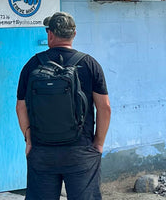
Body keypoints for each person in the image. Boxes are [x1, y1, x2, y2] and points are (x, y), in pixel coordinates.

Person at [16, 11, 111, 200]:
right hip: (81, 151)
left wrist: (29, 139)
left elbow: (21, 107)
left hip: (42, 151)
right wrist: (98, 144)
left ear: (49, 34)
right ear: (74, 34)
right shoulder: (90, 64)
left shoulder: (32, 65)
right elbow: (104, 107)